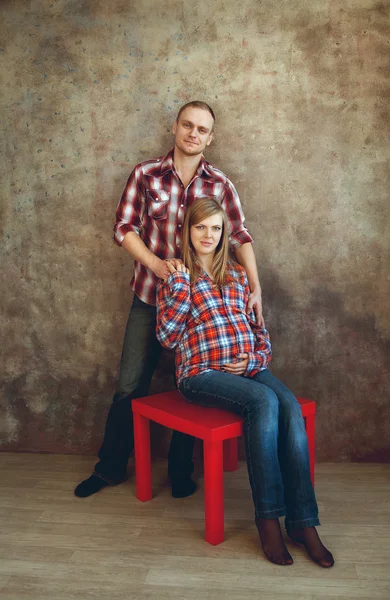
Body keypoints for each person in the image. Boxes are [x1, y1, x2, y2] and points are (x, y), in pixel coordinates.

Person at [74, 101, 264, 499]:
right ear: (175, 127)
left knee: (190, 384)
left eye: (202, 129)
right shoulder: (145, 174)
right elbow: (123, 227)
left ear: (211, 138)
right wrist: (157, 265)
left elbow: (241, 236)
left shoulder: (221, 185)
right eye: (188, 125)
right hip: (150, 296)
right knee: (130, 385)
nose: (194, 134)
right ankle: (109, 469)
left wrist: (256, 287)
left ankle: (181, 472)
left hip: (201, 306)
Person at [156, 197, 334, 568]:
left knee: (287, 405)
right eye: (200, 227)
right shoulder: (174, 275)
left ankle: (303, 523)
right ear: (188, 231)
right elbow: (168, 338)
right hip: (202, 373)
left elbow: (259, 332)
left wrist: (253, 359)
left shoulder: (238, 274)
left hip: (247, 368)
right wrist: (183, 288)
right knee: (263, 403)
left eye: (216, 228)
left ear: (224, 234)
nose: (208, 235)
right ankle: (268, 519)